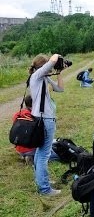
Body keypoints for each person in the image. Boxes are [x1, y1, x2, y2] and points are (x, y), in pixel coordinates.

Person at [29, 53, 67, 196]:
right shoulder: (37, 76)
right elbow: (53, 60)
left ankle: (41, 180)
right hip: (45, 120)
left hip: (43, 119)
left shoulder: (43, 78)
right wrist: (57, 56)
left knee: (40, 152)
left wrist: (59, 73)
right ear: (43, 66)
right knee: (45, 154)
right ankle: (45, 188)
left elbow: (60, 89)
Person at [11, 94, 60, 165]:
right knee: (57, 154)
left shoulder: (18, 115)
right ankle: (32, 157)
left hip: (19, 148)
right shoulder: (37, 117)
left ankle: (25, 155)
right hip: (32, 148)